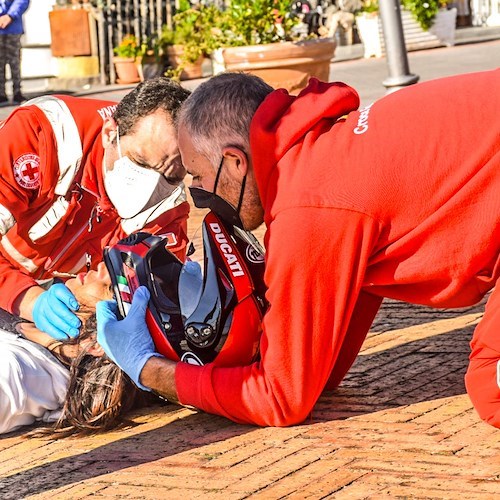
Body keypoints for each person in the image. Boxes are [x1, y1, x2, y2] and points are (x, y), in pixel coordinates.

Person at [96, 70, 500, 428]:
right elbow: (317, 370)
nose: (199, 197)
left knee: (492, 387)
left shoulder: (309, 204)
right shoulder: (319, 148)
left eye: (199, 175)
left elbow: (280, 398)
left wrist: (148, 369)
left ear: (236, 162)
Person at [0, 77, 191, 341]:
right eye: (139, 162)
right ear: (110, 133)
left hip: (51, 295)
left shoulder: (167, 206)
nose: (148, 188)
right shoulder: (41, 135)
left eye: (170, 176)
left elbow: (151, 300)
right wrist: (29, 299)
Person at [0, 262, 142, 436]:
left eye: (111, 287)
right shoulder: (34, 326)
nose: (103, 266)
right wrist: (27, 298)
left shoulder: (19, 375)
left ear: (97, 343)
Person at [0, 0, 29, 104]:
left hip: (13, 27)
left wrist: (10, 15)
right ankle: (1, 94)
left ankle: (17, 92)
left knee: (15, 62)